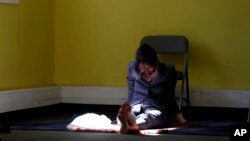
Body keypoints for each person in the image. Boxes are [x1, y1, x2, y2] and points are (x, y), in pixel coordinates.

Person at [117, 44, 187, 134]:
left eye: (148, 68)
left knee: (154, 117)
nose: (145, 71)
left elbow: (170, 96)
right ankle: (129, 121)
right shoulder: (132, 67)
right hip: (136, 103)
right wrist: (128, 107)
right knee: (125, 114)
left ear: (155, 62)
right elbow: (131, 91)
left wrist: (180, 119)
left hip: (156, 106)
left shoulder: (168, 70)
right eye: (141, 68)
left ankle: (131, 124)